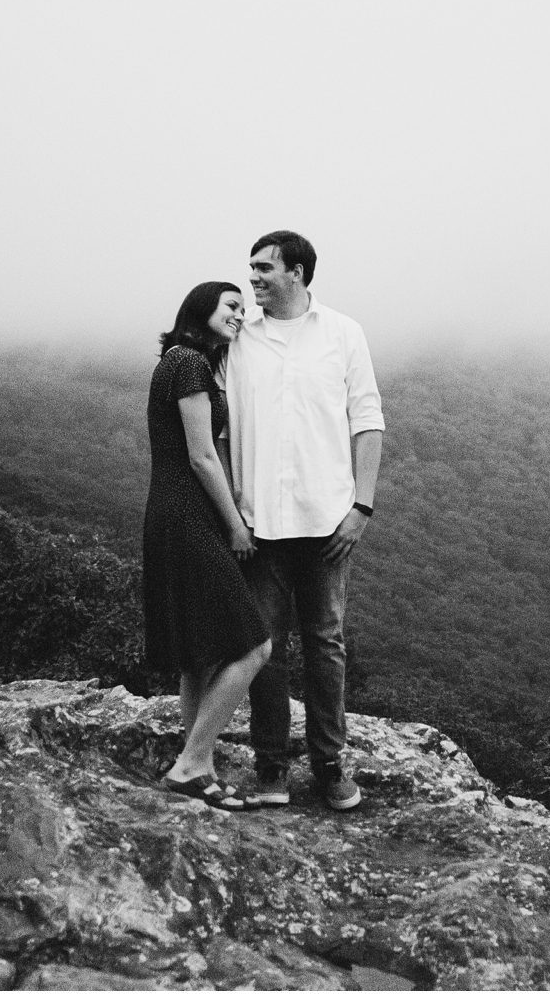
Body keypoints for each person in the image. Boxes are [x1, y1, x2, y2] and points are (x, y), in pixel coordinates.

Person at [225, 230, 384, 811]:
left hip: (327, 522)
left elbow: (367, 419)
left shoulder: (343, 334)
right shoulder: (238, 341)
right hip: (259, 522)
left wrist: (361, 505)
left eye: (265, 268)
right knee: (265, 648)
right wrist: (230, 515)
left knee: (326, 645)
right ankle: (270, 771)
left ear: (298, 272)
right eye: (252, 269)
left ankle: (330, 766)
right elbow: (217, 431)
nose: (254, 279)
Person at [143, 281, 274, 810]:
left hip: (172, 515)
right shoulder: (190, 364)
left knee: (198, 654)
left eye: (244, 308)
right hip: (188, 515)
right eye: (231, 306)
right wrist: (237, 525)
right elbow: (201, 456)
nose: (240, 315)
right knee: (253, 645)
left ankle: (198, 765)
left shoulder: (181, 362)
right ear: (202, 310)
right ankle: (192, 763)